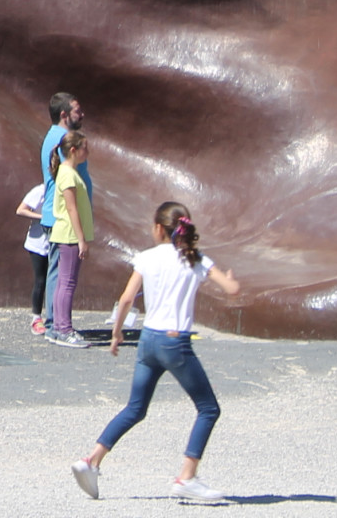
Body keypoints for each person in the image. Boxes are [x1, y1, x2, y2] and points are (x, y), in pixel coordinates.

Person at [70, 202, 243, 503]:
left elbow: (126, 299)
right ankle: (186, 477)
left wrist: (116, 333)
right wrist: (230, 276)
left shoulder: (146, 257)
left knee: (135, 408)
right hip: (175, 343)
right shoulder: (197, 259)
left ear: (159, 229)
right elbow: (231, 289)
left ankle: (91, 461)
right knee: (208, 409)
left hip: (148, 340)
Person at [40, 91, 89, 334]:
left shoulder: (56, 137)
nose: (82, 114)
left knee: (60, 272)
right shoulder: (63, 140)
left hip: (60, 215)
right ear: (64, 115)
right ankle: (56, 324)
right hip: (62, 217)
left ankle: (55, 322)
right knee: (61, 274)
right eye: (77, 111)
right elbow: (66, 185)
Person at [48, 128, 94, 347]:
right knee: (67, 282)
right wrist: (81, 239)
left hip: (67, 234)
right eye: (85, 148)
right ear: (74, 150)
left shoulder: (69, 172)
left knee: (63, 282)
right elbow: (72, 208)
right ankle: (64, 329)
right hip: (69, 235)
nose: (88, 152)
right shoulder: (67, 173)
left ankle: (59, 327)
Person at [18, 182, 52, 336]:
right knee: (41, 279)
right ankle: (36, 318)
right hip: (37, 243)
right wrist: (43, 217)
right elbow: (21, 210)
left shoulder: (64, 189)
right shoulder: (40, 190)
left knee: (56, 280)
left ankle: (55, 318)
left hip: (55, 242)